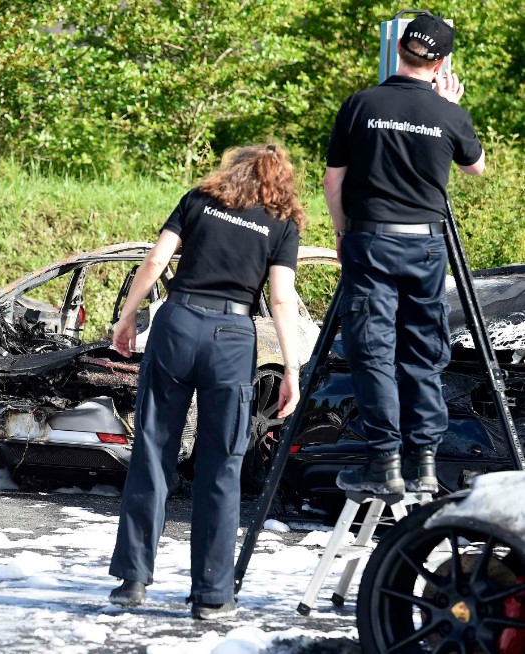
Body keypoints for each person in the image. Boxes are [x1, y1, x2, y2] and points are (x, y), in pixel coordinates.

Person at [107, 144, 305, 619]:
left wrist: (127, 316)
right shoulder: (282, 224)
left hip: (177, 323)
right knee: (222, 465)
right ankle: (212, 595)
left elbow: (155, 262)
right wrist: (292, 369)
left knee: (154, 448)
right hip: (232, 338)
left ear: (233, 170)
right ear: (281, 182)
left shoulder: (199, 200)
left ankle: (133, 580)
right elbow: (281, 300)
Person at [324, 13, 485, 495]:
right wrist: (450, 107)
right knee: (424, 351)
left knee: (372, 349)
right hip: (426, 245)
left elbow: (333, 179)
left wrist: (341, 231)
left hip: (370, 240)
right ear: (441, 63)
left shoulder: (361, 104)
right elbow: (476, 168)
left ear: (398, 49)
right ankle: (425, 462)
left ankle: (384, 462)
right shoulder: (449, 113)